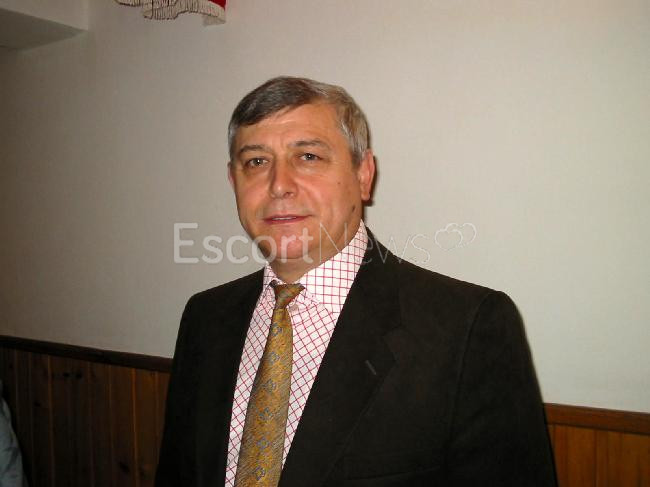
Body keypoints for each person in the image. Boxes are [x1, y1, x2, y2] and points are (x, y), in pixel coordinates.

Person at [155, 76, 556, 487]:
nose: (278, 185)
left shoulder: (468, 328)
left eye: (308, 156)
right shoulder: (205, 318)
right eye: (256, 162)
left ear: (363, 175)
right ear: (233, 181)